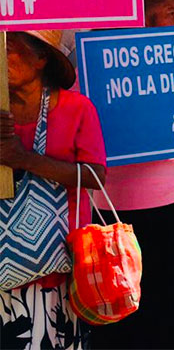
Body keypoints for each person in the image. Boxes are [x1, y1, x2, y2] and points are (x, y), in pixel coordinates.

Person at [88, 0, 174, 350]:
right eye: (171, 12)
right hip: (115, 218)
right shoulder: (96, 63)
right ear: (141, 17)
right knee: (127, 326)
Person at [0, 30, 107, 349]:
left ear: (41, 59)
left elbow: (96, 176)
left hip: (60, 267)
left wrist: (23, 158)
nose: (3, 57)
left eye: (11, 49)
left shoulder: (76, 109)